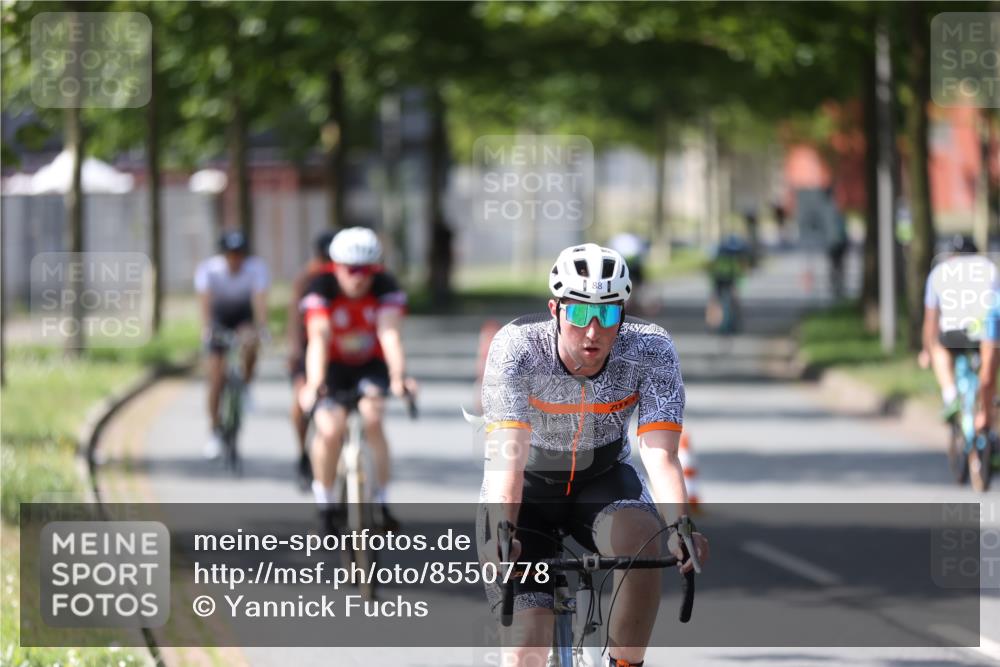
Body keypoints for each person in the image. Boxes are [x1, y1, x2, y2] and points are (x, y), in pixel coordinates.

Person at [478, 243, 709, 667]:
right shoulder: (517, 348)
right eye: (581, 313)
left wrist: (680, 524)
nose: (593, 331)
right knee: (528, 642)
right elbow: (507, 459)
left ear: (623, 311)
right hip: (527, 490)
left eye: (607, 314)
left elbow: (660, 454)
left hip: (603, 479)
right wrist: (501, 530)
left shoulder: (650, 350)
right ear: (555, 309)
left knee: (644, 539)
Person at [297, 227, 416, 533]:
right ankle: (325, 504)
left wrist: (398, 377)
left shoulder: (385, 286)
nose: (359, 277)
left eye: (366, 270)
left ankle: (382, 502)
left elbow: (390, 335)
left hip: (370, 364)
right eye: (350, 270)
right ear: (335, 266)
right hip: (332, 365)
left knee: (373, 418)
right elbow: (318, 339)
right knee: (329, 429)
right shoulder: (320, 287)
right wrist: (313, 384)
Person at [194, 230, 270, 459]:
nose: (235, 259)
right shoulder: (209, 269)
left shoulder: (256, 268)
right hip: (219, 318)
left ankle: (245, 385)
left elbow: (259, 300)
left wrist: (262, 327)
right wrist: (207, 328)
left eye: (239, 255)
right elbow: (205, 301)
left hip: (242, 317)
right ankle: (214, 431)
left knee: (250, 341)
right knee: (216, 377)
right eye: (231, 255)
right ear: (224, 255)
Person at [920, 235, 999, 421]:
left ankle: (950, 395)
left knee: (938, 347)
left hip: (952, 334)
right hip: (986, 333)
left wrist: (926, 351)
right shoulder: (989, 268)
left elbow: (930, 320)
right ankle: (987, 417)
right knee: (988, 375)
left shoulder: (939, 272)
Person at [288, 229, 337, 488]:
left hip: (339, 351)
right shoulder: (306, 279)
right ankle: (302, 454)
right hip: (309, 348)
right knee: (300, 404)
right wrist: (295, 350)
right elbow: (294, 320)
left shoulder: (345, 277)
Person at [705, 234, 752, 332]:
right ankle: (732, 324)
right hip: (726, 279)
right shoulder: (736, 252)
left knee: (718, 301)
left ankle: (714, 324)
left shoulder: (721, 251)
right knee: (731, 301)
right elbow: (742, 270)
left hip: (722, 279)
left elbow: (710, 267)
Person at [608, 232, 650, 315]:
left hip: (630, 265)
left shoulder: (619, 241)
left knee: (636, 286)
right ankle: (633, 304)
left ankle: (633, 304)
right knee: (637, 286)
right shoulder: (634, 241)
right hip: (632, 265)